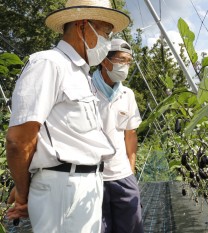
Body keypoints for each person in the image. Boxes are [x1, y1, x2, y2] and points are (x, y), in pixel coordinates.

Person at [5, 0, 130, 232]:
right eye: (105, 32)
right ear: (83, 25)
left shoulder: (80, 73)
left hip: (84, 185)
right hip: (64, 187)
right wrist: (23, 192)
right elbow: (19, 140)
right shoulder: (48, 64)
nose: (107, 40)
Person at [92, 38, 143, 233]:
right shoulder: (86, 89)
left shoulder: (127, 94)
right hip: (92, 176)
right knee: (99, 228)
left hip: (122, 174)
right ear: (105, 61)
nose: (126, 66)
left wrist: (130, 167)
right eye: (122, 60)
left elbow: (130, 133)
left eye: (129, 62)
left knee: (132, 225)